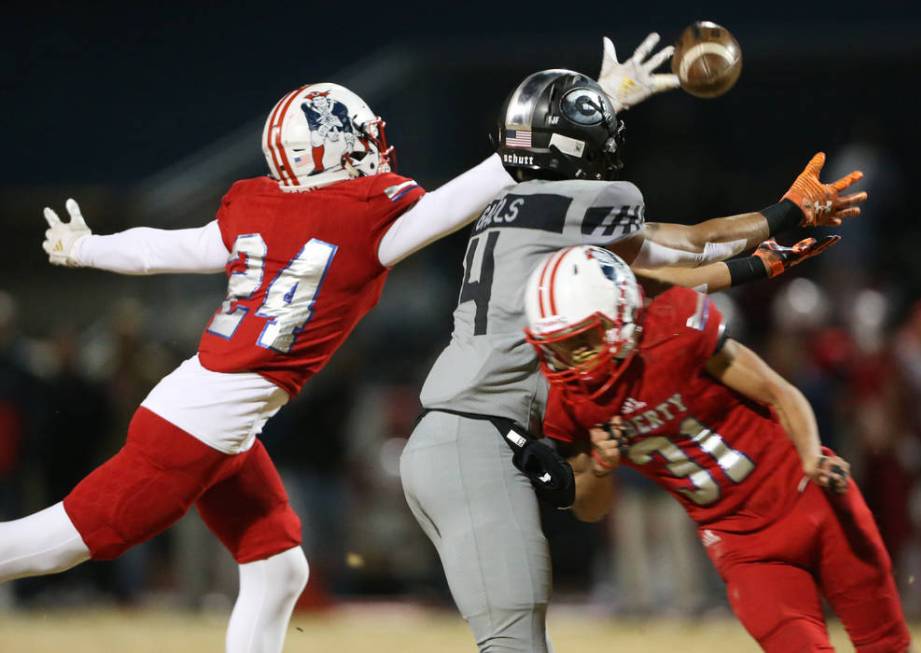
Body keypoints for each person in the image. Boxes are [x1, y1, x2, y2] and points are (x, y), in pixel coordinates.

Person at [0, 35, 664, 652]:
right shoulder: (362, 219)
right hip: (198, 427)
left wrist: (87, 247)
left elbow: (174, 247)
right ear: (334, 147)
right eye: (361, 137)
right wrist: (562, 128)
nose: (376, 145)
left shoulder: (261, 206)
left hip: (209, 408)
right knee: (64, 540)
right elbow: (452, 204)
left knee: (278, 562)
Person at [400, 64, 865, 651]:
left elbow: (655, 268)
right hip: (482, 439)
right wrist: (779, 227)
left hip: (456, 439)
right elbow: (674, 259)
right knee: (515, 644)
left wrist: (771, 243)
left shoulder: (521, 212)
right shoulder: (593, 202)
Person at [525, 245, 912, 652]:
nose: (572, 361)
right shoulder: (570, 402)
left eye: (583, 340)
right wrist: (601, 467)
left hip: (810, 498)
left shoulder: (675, 327)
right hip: (743, 548)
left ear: (620, 313)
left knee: (886, 645)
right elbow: (591, 508)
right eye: (559, 347)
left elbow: (779, 392)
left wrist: (813, 454)